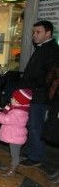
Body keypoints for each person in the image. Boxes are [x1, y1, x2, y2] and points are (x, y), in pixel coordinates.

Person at [19, 20, 59, 167]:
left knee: (36, 125)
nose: (34, 35)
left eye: (38, 32)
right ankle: (31, 150)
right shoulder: (42, 48)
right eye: (33, 32)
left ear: (48, 33)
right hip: (32, 93)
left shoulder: (52, 50)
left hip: (40, 95)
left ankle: (36, 156)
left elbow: (48, 77)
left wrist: (32, 86)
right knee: (31, 124)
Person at [0, 89, 32, 176]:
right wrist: (6, 109)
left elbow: (5, 119)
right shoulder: (17, 109)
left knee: (15, 155)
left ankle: (12, 170)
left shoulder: (18, 112)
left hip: (15, 137)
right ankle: (11, 166)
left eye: (13, 98)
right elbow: (6, 114)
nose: (11, 99)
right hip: (14, 135)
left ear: (19, 101)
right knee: (13, 153)